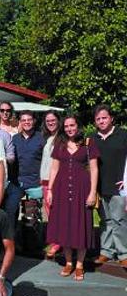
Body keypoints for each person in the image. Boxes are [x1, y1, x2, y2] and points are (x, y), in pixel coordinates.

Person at [46, 115, 99, 280]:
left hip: (82, 189)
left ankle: (79, 265)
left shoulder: (88, 143)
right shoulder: (59, 143)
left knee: (80, 224)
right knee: (65, 225)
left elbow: (94, 169)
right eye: (66, 126)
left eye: (72, 125)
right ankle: (69, 262)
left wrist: (92, 192)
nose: (69, 128)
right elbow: (54, 168)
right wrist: (50, 190)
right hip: (61, 188)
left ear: (78, 125)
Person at [90, 105, 127, 267]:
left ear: (111, 118)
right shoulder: (91, 138)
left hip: (119, 186)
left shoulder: (123, 135)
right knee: (105, 220)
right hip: (100, 186)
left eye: (104, 117)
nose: (101, 121)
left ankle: (123, 253)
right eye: (98, 119)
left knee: (120, 220)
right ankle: (106, 251)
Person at [10, 111, 45, 227]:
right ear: (19, 122)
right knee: (11, 212)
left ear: (34, 121)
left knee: (30, 217)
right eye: (23, 120)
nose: (26, 122)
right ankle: (14, 240)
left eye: (29, 120)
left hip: (33, 183)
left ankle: (31, 242)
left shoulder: (41, 138)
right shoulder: (14, 139)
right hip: (17, 183)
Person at [40, 111, 61, 258]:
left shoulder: (62, 138)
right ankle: (55, 240)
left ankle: (58, 242)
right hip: (45, 180)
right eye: (48, 121)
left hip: (55, 181)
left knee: (56, 211)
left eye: (53, 120)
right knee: (50, 212)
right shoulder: (48, 138)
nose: (51, 123)